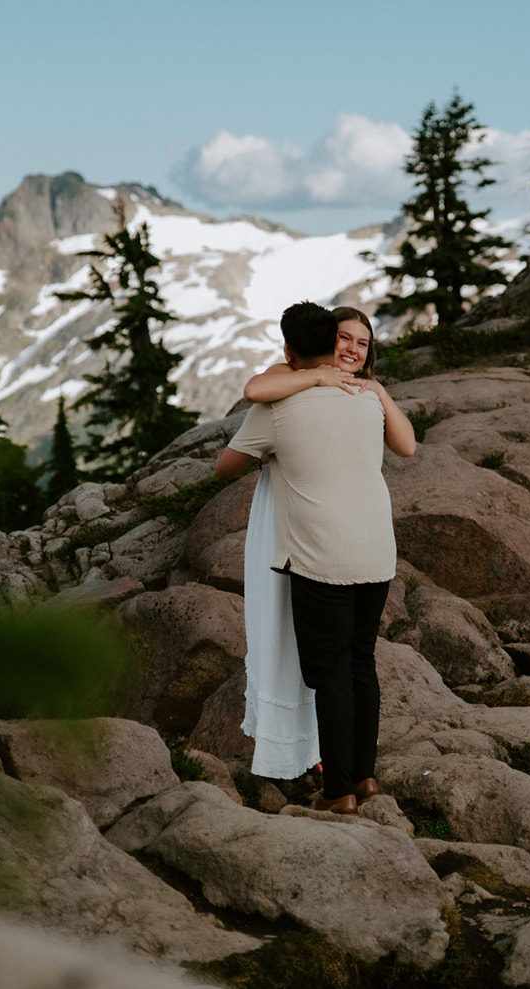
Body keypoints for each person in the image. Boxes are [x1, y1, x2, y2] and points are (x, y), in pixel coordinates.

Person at [215, 303, 415, 814]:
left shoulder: (276, 410)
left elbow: (225, 468)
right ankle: (365, 778)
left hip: (321, 557)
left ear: (288, 352)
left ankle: (338, 792)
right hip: (375, 551)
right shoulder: (367, 399)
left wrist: (266, 450)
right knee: (360, 662)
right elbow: (405, 446)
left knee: (329, 674)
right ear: (333, 348)